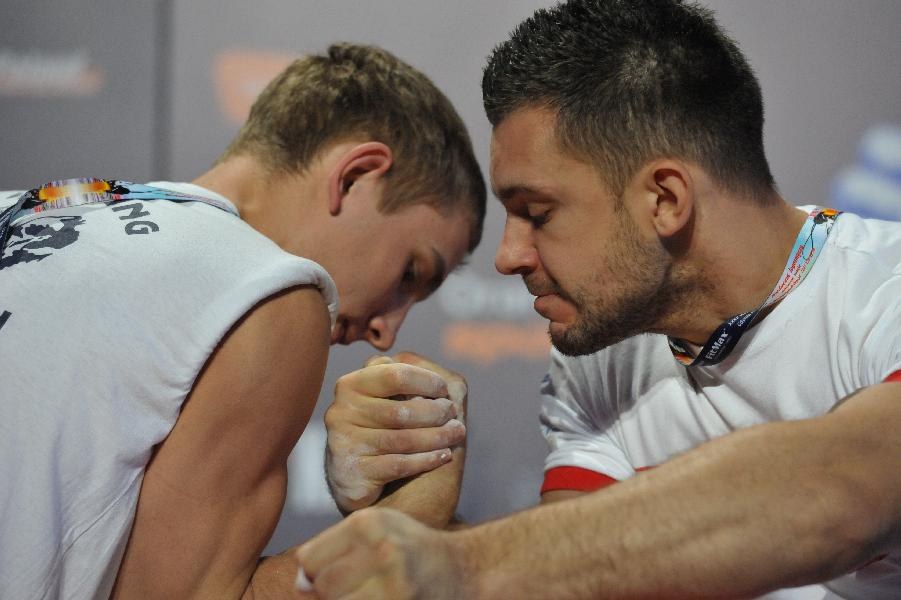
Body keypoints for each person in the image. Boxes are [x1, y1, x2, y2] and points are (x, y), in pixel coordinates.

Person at [295, 2, 901, 598]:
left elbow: (846, 493)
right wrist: (415, 517)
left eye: (537, 213)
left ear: (665, 200)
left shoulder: (885, 291)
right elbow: (576, 578)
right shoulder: (599, 359)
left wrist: (465, 565)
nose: (508, 257)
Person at [0, 42, 483, 599]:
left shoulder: (26, 206)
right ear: (355, 177)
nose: (386, 331)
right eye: (410, 272)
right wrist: (408, 521)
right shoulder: (270, 294)